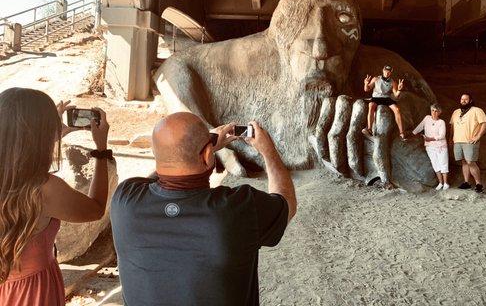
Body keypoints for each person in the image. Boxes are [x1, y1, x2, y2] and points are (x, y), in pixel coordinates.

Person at [110, 112, 297, 306]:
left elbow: (163, 175)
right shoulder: (238, 209)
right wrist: (269, 152)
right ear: (208, 155)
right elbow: (287, 202)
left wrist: (200, 149)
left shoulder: (124, 200)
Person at [0, 87, 110, 306]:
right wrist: (101, 150)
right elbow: (96, 209)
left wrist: (48, 134)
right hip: (31, 293)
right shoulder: (43, 189)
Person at [449, 93, 486, 193]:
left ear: (470, 101)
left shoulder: (477, 110)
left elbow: (485, 123)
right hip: (457, 140)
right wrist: (450, 137)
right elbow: (452, 126)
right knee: (463, 161)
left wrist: (478, 136)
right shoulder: (456, 112)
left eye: (466, 99)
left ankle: (479, 184)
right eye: (462, 99)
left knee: (471, 162)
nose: (463, 101)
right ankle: (466, 182)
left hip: (470, 141)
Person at [362, 65, 407, 140]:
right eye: (386, 71)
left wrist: (399, 89)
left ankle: (401, 133)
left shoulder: (393, 82)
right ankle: (369, 129)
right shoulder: (376, 79)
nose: (387, 73)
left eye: (389, 72)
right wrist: (366, 83)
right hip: (376, 98)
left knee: (397, 109)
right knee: (371, 105)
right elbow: (367, 89)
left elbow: (396, 95)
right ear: (383, 70)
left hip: (386, 98)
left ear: (391, 73)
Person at [413, 104, 449, 190]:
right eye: (432, 110)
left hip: (441, 146)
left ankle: (446, 183)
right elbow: (419, 127)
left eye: (436, 111)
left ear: (439, 112)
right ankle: (440, 183)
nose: (434, 112)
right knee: (435, 164)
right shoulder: (427, 118)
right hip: (430, 147)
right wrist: (412, 134)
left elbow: (442, 135)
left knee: (443, 164)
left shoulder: (441, 122)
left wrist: (430, 139)